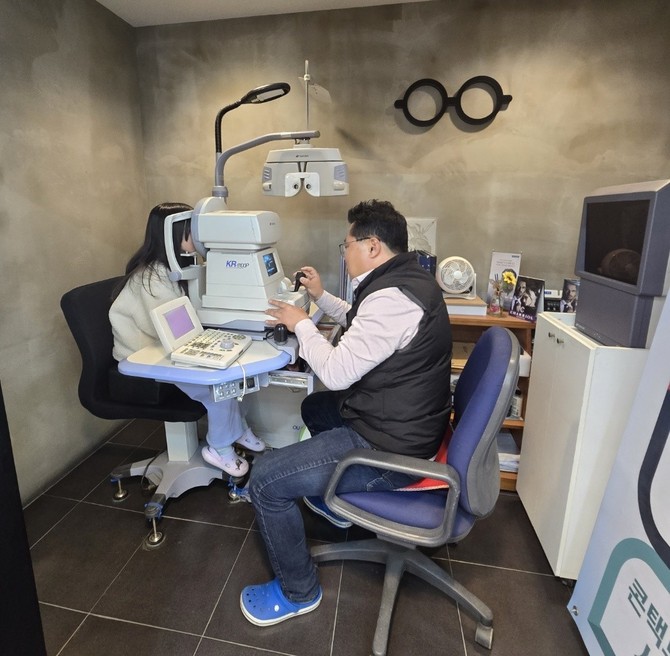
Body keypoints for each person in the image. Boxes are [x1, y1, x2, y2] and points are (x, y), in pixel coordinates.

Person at [240, 199, 452, 626]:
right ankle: (337, 503)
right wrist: (319, 297)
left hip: (390, 449)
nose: (345, 252)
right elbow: (361, 321)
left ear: (372, 246)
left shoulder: (393, 299)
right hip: (403, 423)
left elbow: (336, 373)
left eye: (347, 244)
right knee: (315, 408)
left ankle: (299, 591)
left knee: (265, 480)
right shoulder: (404, 281)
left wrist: (302, 324)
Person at [109, 202, 264, 477]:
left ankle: (237, 429)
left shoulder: (179, 268)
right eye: (193, 231)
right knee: (219, 386)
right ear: (173, 234)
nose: (200, 237)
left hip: (164, 348)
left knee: (238, 377)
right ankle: (220, 447)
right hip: (143, 357)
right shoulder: (152, 278)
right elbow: (171, 328)